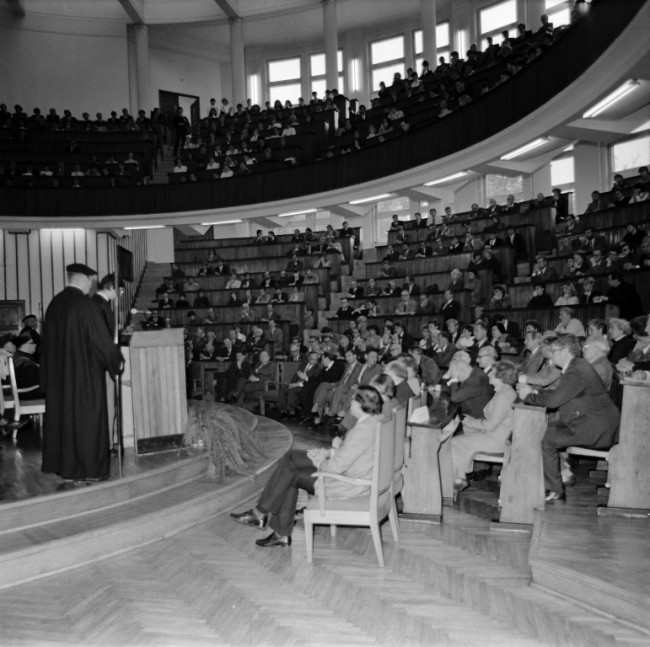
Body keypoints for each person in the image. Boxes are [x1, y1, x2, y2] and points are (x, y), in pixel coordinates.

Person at [230, 385, 384, 547]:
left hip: (344, 483)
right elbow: (351, 453)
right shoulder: (372, 423)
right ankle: (265, 518)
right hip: (348, 474)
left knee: (290, 474)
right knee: (291, 456)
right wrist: (326, 452)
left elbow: (334, 468)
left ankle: (268, 520)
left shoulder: (362, 431)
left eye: (352, 399)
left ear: (360, 404)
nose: (350, 402)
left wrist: (319, 460)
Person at [41, 263, 123, 484]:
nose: (92, 285)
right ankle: (90, 469)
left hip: (59, 379)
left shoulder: (54, 304)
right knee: (87, 422)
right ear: (84, 279)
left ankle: (66, 469)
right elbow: (102, 343)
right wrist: (117, 364)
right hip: (84, 377)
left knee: (64, 423)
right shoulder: (85, 306)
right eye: (91, 281)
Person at [519, 334, 620, 502]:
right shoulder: (577, 366)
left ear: (566, 350)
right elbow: (560, 394)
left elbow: (553, 402)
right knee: (547, 431)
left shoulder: (575, 371)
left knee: (547, 440)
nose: (551, 354)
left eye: (554, 350)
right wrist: (536, 392)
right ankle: (551, 484)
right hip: (593, 422)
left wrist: (529, 395)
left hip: (597, 428)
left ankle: (555, 490)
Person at [451, 360, 518, 491]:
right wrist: (470, 422)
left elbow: (490, 426)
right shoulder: (503, 391)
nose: (488, 374)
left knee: (455, 442)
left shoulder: (504, 395)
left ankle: (458, 479)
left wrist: (468, 421)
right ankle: (459, 477)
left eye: (492, 372)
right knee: (462, 435)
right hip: (497, 435)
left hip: (497, 440)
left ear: (500, 376)